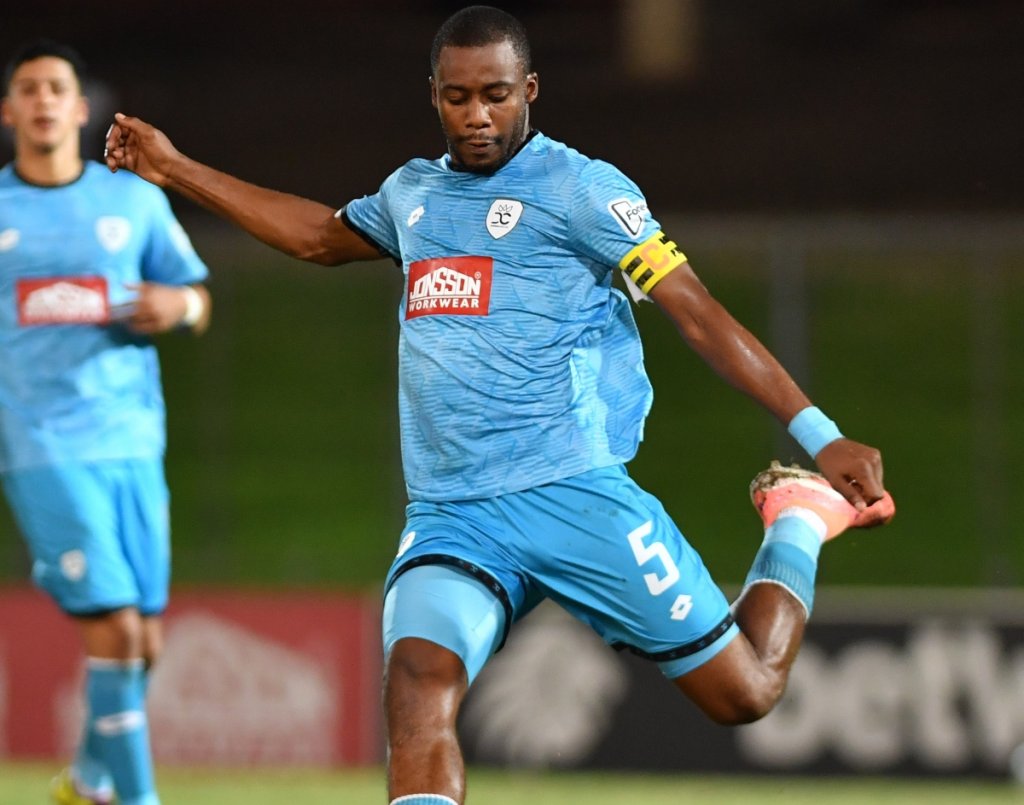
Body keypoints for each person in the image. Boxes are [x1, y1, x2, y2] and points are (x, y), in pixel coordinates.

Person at [103, 6, 894, 804]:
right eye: (457, 97)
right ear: (434, 95)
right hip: (454, 513)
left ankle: (796, 516)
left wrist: (818, 433)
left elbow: (696, 310)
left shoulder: (582, 189)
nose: (477, 116)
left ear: (531, 91)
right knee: (417, 682)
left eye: (496, 94)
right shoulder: (412, 196)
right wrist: (173, 169)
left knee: (747, 693)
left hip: (573, 492)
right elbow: (316, 236)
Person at [1, 39, 211, 805]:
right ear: (10, 110)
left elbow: (197, 298)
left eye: (57, 87)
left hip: (132, 441)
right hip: (43, 445)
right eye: (29, 88)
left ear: (81, 108)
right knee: (118, 628)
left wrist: (176, 306)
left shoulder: (132, 203)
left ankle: (90, 780)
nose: (44, 100)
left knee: (144, 641)